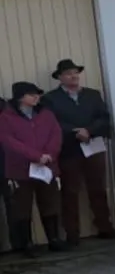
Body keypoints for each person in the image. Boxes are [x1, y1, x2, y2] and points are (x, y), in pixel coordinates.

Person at [42, 58, 115, 243]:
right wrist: (74, 132)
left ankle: (104, 227)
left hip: (94, 147)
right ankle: (72, 233)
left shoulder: (93, 95)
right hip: (69, 149)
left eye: (75, 72)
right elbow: (51, 123)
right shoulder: (50, 99)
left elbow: (104, 118)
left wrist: (89, 131)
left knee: (98, 188)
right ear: (60, 77)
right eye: (68, 73)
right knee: (70, 192)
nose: (73, 76)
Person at [0, 82, 66, 255]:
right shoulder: (6, 117)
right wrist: (36, 156)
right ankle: (26, 243)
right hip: (21, 168)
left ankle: (54, 238)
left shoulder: (47, 114)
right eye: (31, 94)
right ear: (20, 97)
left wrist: (50, 154)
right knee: (22, 206)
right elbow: (10, 142)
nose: (36, 97)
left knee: (50, 202)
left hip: (46, 166)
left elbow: (56, 134)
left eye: (37, 94)